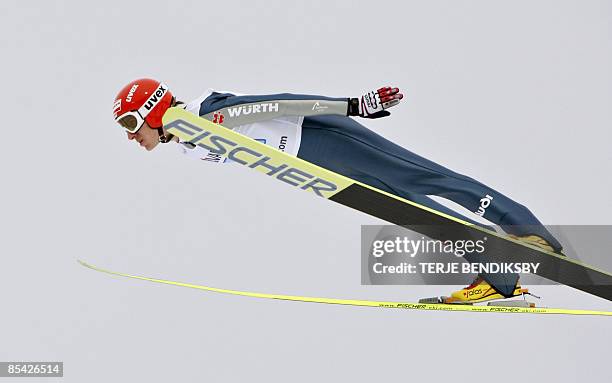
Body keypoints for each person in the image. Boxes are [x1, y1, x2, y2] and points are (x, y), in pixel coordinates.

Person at [112, 78, 563, 304]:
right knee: (415, 213)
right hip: (314, 163)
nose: (132, 137)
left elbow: (280, 104)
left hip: (324, 139)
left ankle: (528, 232)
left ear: (154, 111)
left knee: (422, 179)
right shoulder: (191, 141)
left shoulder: (204, 114)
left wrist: (353, 105)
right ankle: (502, 279)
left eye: (132, 125)